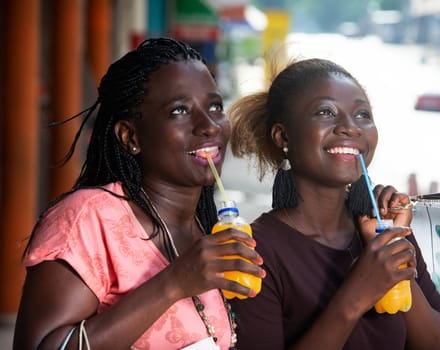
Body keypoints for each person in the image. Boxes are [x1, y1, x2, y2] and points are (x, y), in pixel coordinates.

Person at [13, 38, 265, 350]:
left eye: (215, 106)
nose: (210, 125)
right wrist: (173, 283)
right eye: (179, 110)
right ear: (130, 136)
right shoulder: (88, 218)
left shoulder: (205, 226)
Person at [227, 58, 440, 349]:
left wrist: (395, 267)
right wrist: (355, 296)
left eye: (362, 114)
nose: (351, 128)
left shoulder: (383, 229)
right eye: (326, 112)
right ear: (283, 136)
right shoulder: (254, 252)